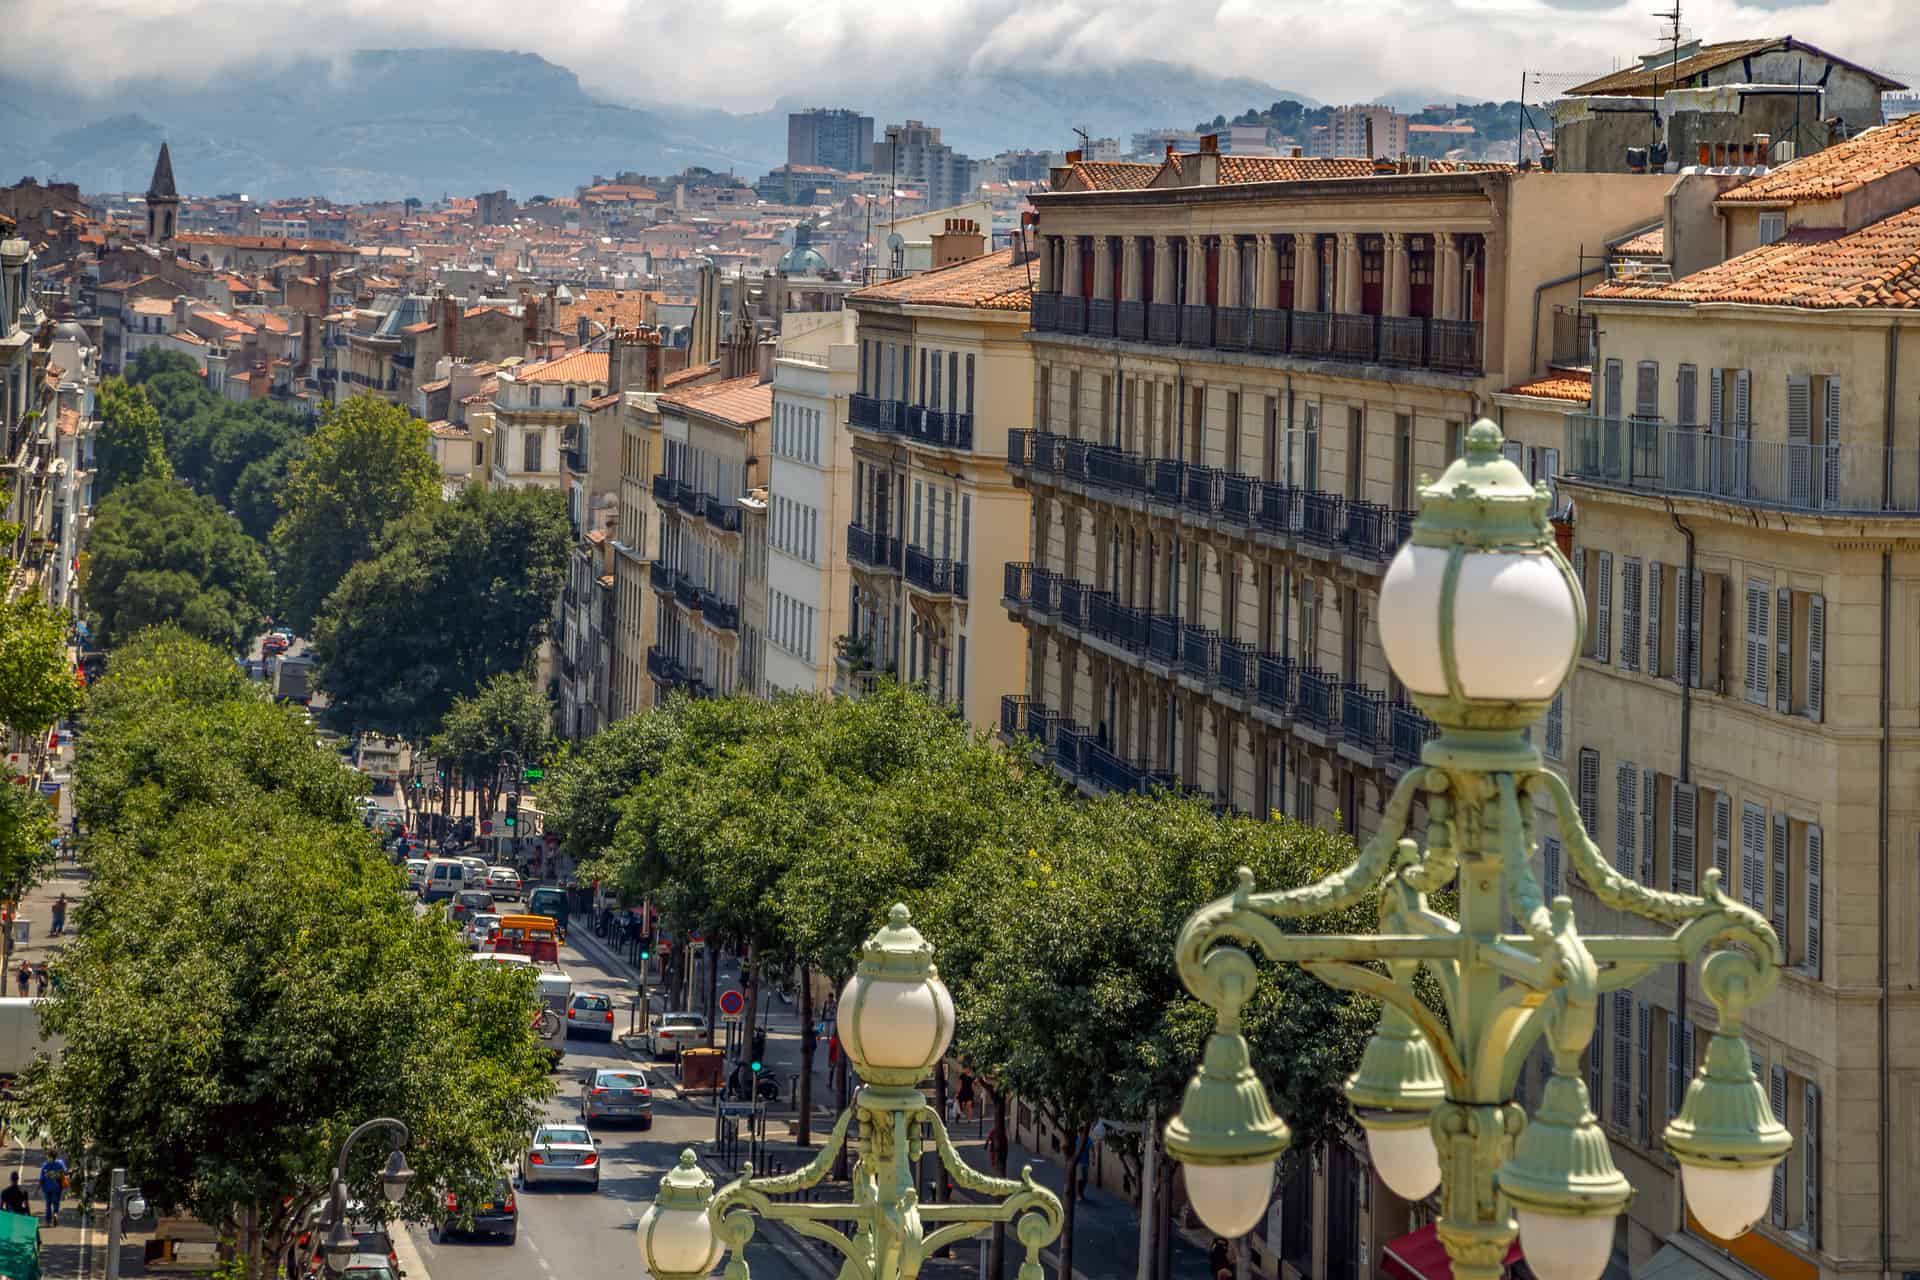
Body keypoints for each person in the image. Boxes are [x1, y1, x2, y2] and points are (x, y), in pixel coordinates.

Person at [38, 1151, 65, 1224]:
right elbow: (65, 1172)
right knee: (56, 1202)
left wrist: (37, 1188)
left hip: (47, 1188)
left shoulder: (45, 1165)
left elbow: (41, 1178)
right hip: (57, 1187)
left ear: (49, 1156)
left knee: (48, 1204)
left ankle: (48, 1220)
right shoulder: (60, 1163)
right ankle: (55, 1214)